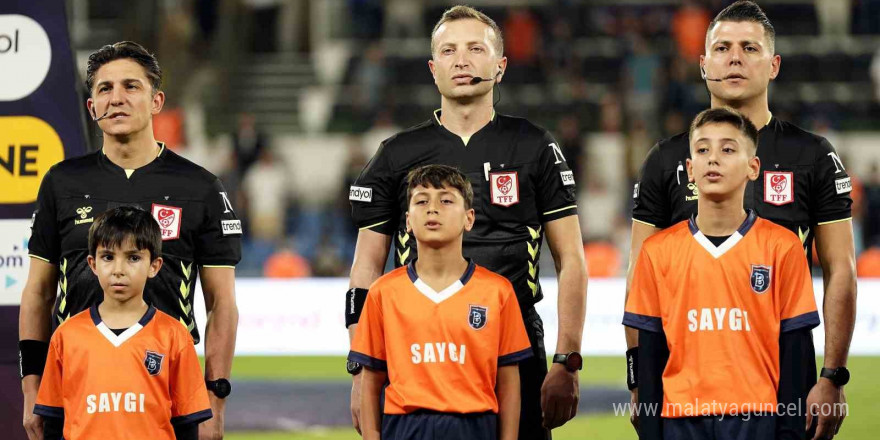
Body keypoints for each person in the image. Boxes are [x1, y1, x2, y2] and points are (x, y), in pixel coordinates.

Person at [345, 6, 588, 439]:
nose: (462, 60)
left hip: (513, 345)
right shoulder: (396, 154)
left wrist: (567, 360)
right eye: (448, 50)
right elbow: (366, 266)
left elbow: (571, 259)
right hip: (414, 342)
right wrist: (359, 364)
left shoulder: (534, 145)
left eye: (476, 48)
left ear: (500, 66)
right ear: (432, 68)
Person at [626, 3, 855, 439]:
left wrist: (833, 376)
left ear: (774, 65)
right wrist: (639, 381)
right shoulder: (665, 159)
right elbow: (640, 278)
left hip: (782, 376)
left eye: (749, 48)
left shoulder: (812, 156)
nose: (734, 58)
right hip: (684, 385)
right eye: (722, 47)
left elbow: (841, 269)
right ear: (702, 64)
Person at [19, 41, 241, 440]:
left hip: (170, 393)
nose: (116, 98)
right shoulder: (60, 182)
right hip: (74, 387)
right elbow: (37, 293)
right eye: (104, 89)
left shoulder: (201, 187)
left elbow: (222, 303)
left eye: (130, 87)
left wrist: (215, 396)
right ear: (91, 108)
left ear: (157, 101)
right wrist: (31, 387)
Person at [625, 108, 819, 440]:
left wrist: (790, 431)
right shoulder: (657, 253)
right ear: (689, 169)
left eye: (728, 149)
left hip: (759, 418)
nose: (713, 159)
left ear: (753, 167)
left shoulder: (782, 247)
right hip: (679, 420)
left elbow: (796, 352)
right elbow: (650, 353)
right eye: (702, 150)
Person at [351, 165, 531, 440]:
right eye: (422, 201)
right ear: (408, 220)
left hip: (475, 427)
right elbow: (371, 380)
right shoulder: (383, 292)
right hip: (403, 428)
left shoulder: (497, 292)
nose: (432, 208)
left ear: (469, 218)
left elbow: (508, 382)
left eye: (446, 200)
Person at [34, 207, 212, 440]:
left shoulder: (175, 336)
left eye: (133, 258)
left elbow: (187, 424)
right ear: (93, 263)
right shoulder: (66, 336)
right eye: (108, 257)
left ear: (154, 266)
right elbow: (54, 422)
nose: (118, 270)